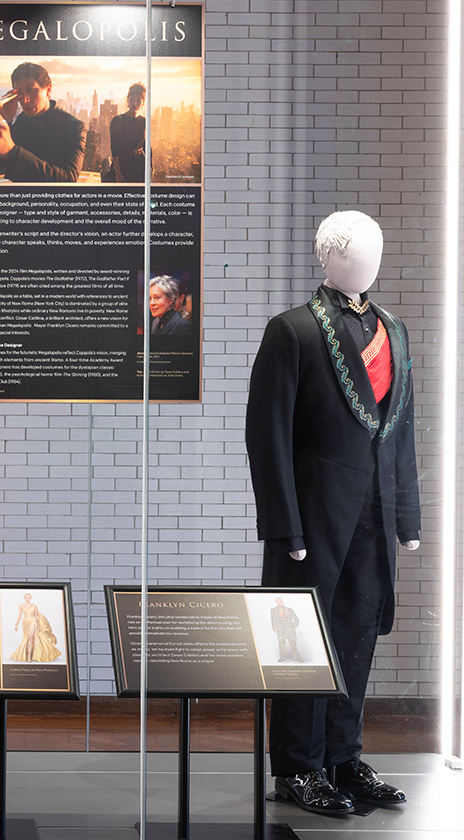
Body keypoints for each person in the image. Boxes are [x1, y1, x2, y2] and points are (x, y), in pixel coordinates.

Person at [246, 210, 419, 816]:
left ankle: (342, 757)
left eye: (375, 247)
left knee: (356, 633)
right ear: (327, 257)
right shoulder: (290, 331)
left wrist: (408, 518)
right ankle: (297, 767)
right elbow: (267, 437)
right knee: (301, 642)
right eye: (354, 249)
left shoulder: (393, 330)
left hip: (374, 510)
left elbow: (402, 433)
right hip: (313, 517)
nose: (367, 259)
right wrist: (283, 524)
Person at [0, 62, 86, 182]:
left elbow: (68, 178)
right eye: (19, 93)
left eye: (31, 90)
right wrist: (3, 121)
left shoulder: (73, 127)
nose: (25, 99)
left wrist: (12, 152)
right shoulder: (21, 122)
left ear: (48, 89)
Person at [108, 82, 147, 183]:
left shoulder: (144, 121)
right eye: (132, 99)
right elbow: (114, 148)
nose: (135, 103)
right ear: (128, 99)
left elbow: (147, 146)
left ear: (143, 103)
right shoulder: (118, 120)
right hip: (123, 164)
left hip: (139, 165)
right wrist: (118, 172)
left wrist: (150, 169)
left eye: (138, 101)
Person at [10, 594, 62, 663]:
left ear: (30, 598)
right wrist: (16, 624)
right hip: (25, 622)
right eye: (26, 597)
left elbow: (36, 616)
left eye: (29, 597)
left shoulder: (34, 606)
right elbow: (19, 615)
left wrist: (38, 625)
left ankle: (29, 656)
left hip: (33, 622)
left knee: (31, 637)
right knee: (26, 637)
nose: (28, 599)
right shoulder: (21, 606)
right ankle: (28, 654)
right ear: (24, 598)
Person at [270, 597, 301, 662]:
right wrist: (274, 628)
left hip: (290, 630)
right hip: (280, 630)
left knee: (293, 643)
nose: (279, 602)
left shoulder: (290, 610)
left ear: (283, 601)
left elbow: (296, 619)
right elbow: (272, 620)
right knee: (281, 644)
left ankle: (295, 657)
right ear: (276, 602)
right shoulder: (273, 610)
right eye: (277, 601)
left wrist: (293, 627)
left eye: (280, 601)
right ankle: (283, 657)